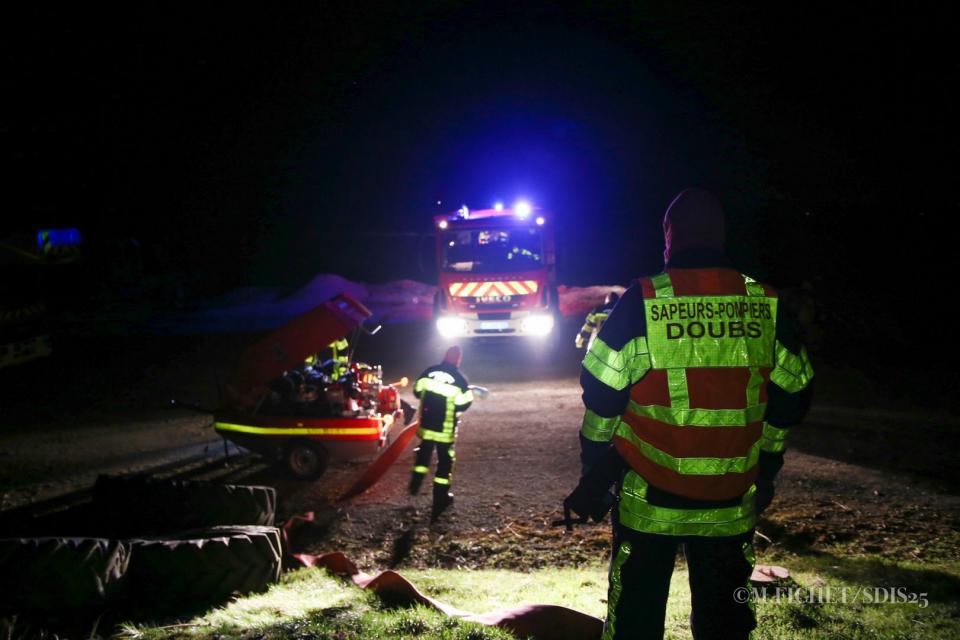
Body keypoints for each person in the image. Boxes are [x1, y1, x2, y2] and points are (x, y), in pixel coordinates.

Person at [565, 188, 814, 640]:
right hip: (731, 502)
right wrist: (766, 468)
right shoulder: (765, 303)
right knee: (725, 623)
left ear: (669, 239)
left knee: (636, 618)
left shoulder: (643, 301)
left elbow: (601, 393)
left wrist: (594, 471)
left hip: (649, 502)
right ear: (721, 237)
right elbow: (793, 395)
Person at [409, 345, 474, 519]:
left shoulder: (429, 371)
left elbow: (417, 391)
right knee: (445, 462)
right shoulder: (459, 379)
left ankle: (415, 484)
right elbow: (464, 404)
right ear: (458, 359)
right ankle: (440, 498)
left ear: (445, 355)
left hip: (426, 426)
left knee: (424, 452)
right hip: (444, 430)